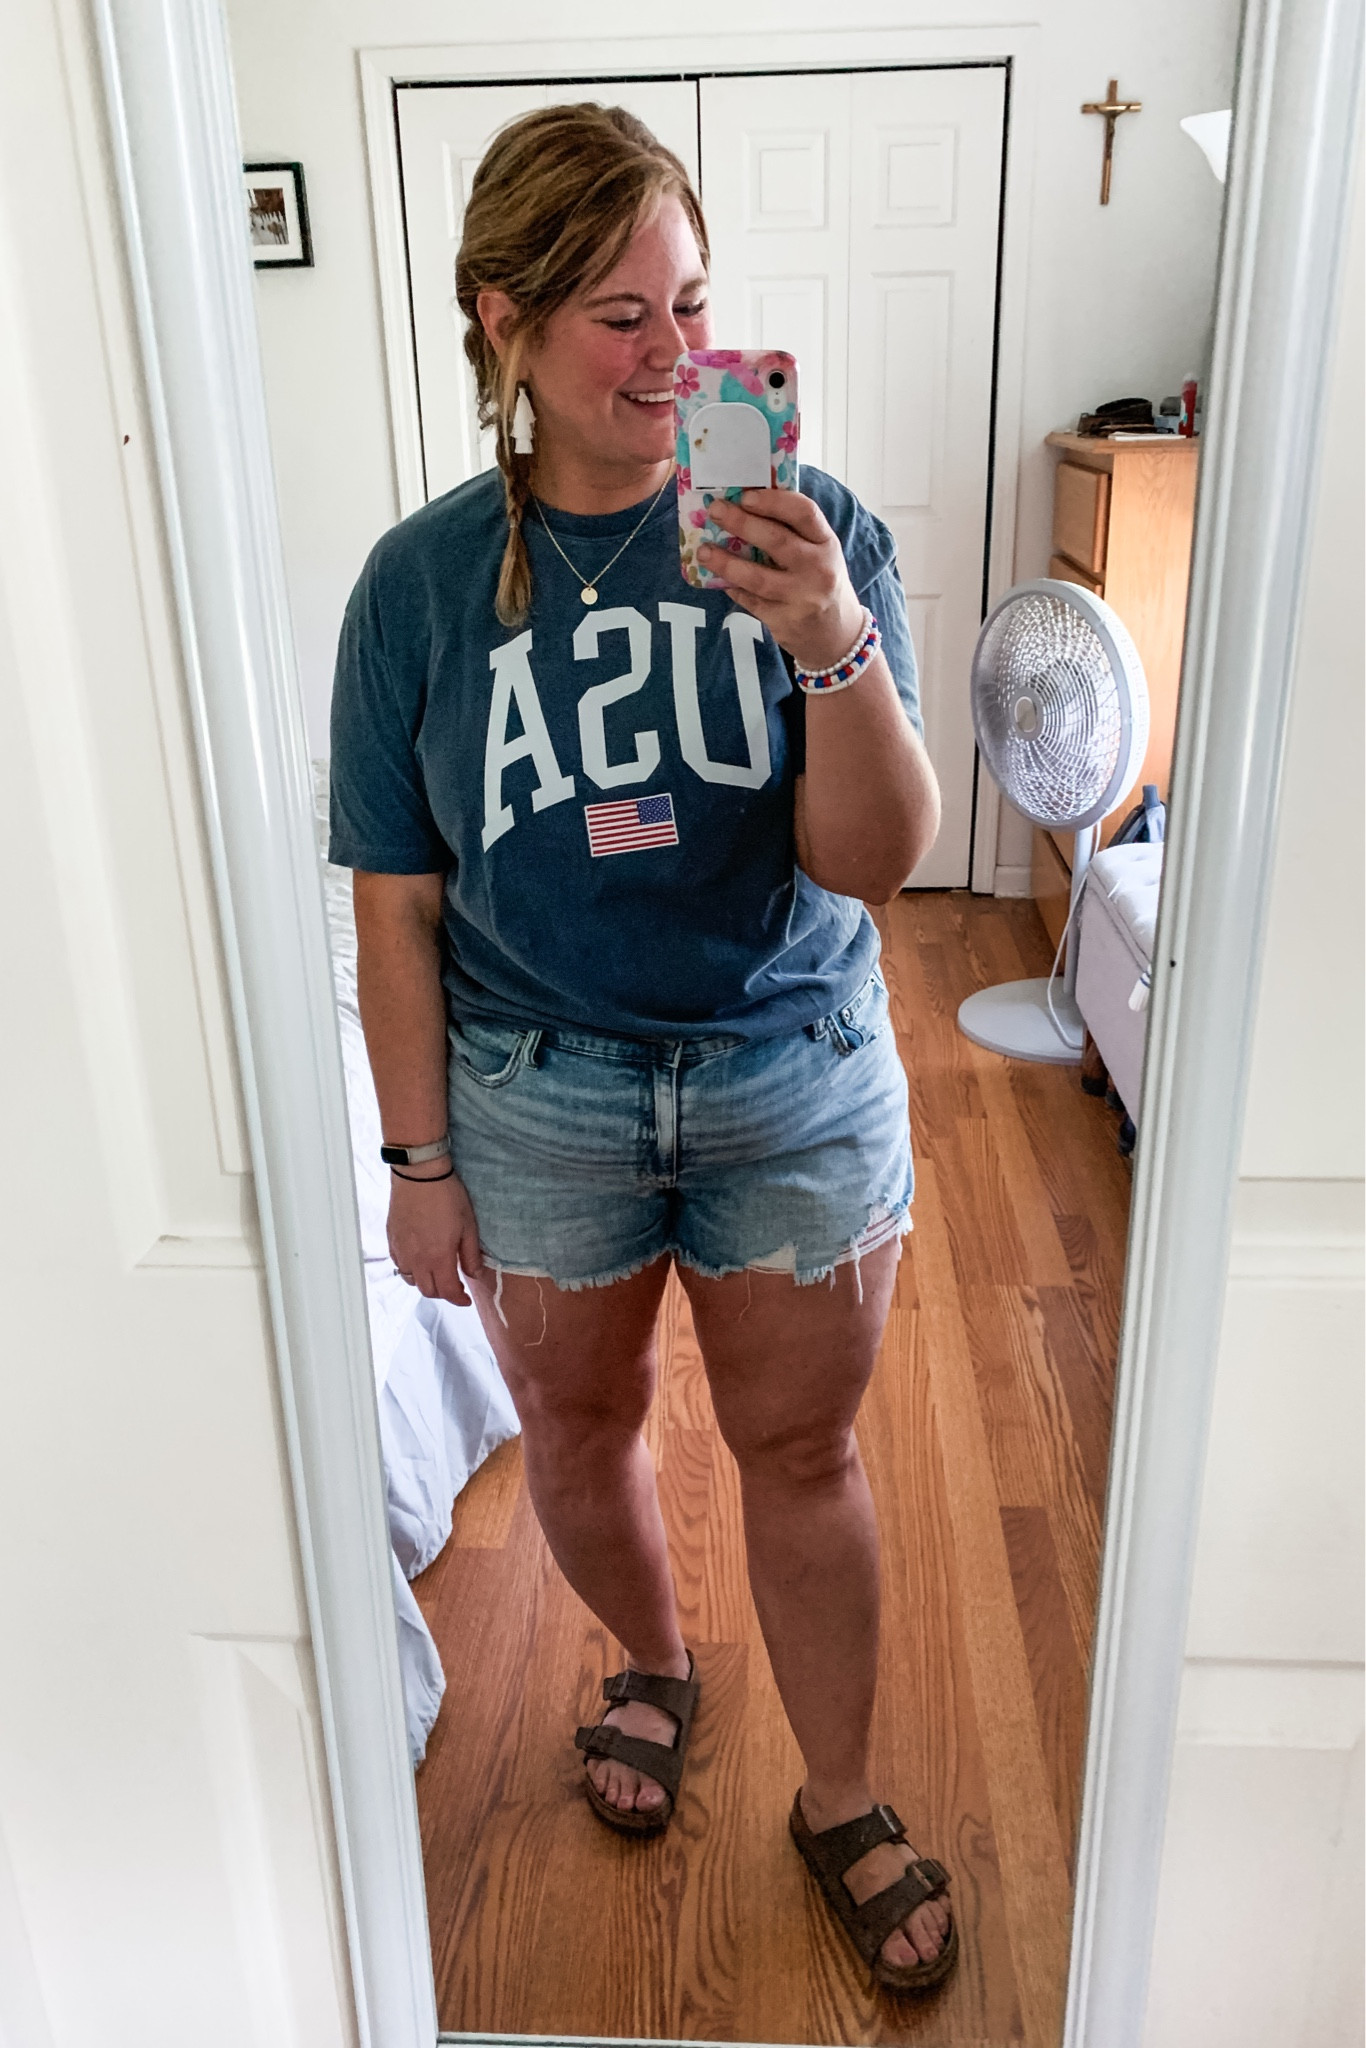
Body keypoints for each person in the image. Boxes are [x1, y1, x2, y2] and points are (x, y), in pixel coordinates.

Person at [329, 101, 956, 1995]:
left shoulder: (808, 528)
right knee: (581, 1426)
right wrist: (416, 1159)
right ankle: (658, 1669)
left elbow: (878, 860)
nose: (676, 357)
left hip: (785, 1065)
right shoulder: (421, 587)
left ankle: (837, 1791)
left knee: (801, 1447)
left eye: (693, 306)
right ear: (505, 324)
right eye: (619, 315)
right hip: (540, 1095)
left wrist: (831, 640)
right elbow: (395, 901)